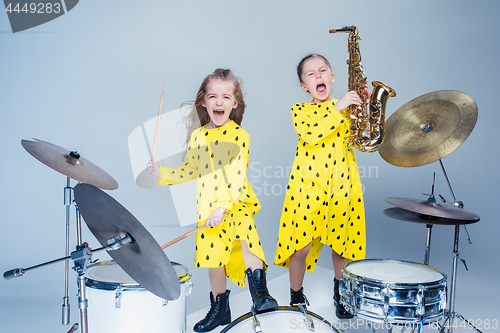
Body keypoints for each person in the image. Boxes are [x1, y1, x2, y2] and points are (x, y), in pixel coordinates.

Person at [147, 68, 278, 332]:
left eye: (226, 97)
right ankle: (220, 309)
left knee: (247, 238)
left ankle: (261, 294)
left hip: (235, 204)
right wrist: (162, 172)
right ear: (204, 102)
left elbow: (235, 175)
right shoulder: (198, 137)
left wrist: (224, 207)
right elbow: (190, 170)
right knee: (214, 257)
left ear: (234, 103)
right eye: (213, 96)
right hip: (208, 211)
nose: (219, 102)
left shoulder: (240, 136)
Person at [274, 54, 367, 319]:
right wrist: (338, 106)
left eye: (322, 70)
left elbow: (366, 139)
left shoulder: (347, 108)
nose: (318, 76)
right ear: (304, 86)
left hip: (342, 184)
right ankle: (295, 293)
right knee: (300, 245)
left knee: (341, 245)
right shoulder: (300, 110)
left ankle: (341, 294)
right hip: (307, 187)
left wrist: (367, 105)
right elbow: (312, 134)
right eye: (311, 74)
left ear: (332, 77)